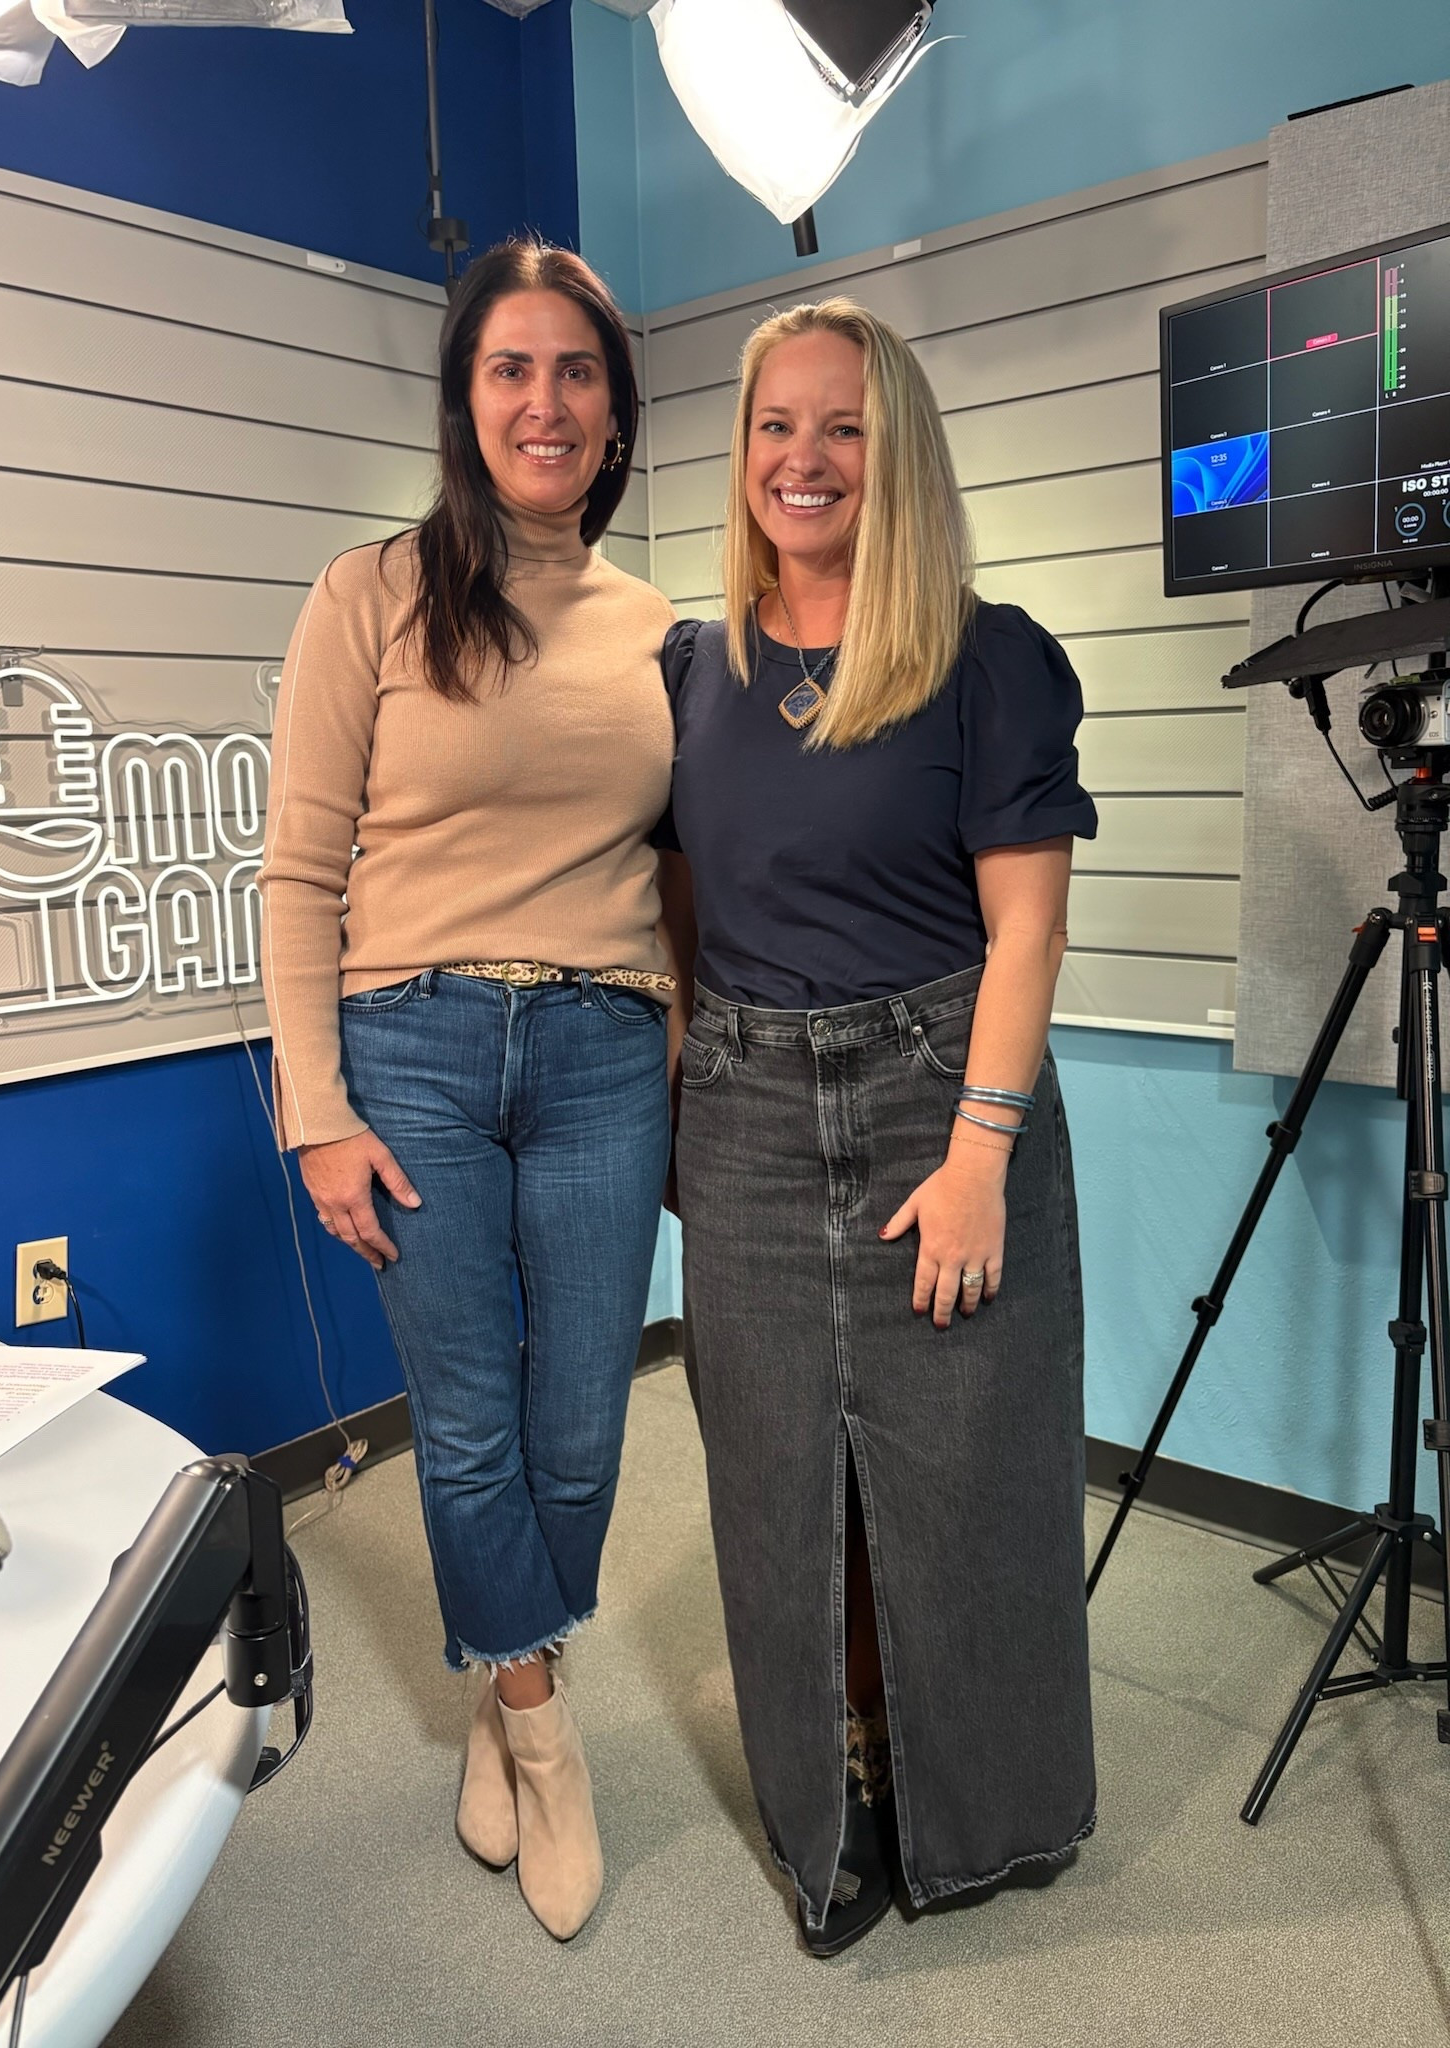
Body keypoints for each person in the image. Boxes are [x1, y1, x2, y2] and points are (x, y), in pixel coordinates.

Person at [656, 298, 1098, 1956]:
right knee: (780, 1483)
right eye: (778, 424)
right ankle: (830, 1806)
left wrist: (982, 1150)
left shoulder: (988, 657)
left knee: (968, 1469)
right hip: (750, 1110)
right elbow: (686, 921)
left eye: (842, 426)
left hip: (939, 1095)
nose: (805, 457)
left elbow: (1027, 934)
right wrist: (695, 1119)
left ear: (893, 449)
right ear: (745, 449)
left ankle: (975, 1809)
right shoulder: (691, 671)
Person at [259, 239, 676, 1942]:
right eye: (510, 368)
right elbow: (297, 870)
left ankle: (505, 1689)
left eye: (574, 370)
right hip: (411, 1051)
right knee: (477, 1425)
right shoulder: (369, 593)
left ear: (613, 405)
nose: (544, 400)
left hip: (603, 1051)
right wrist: (314, 1106)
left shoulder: (661, 627)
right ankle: (544, 1737)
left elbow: (694, 872)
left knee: (583, 1429)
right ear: (464, 399)